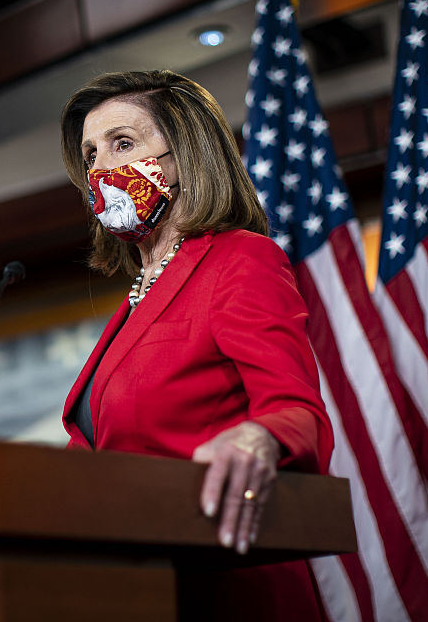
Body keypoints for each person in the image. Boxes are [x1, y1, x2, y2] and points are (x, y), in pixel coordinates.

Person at [59, 70, 334, 619]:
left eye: (123, 144)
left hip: (231, 584)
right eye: (90, 154)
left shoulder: (239, 259)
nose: (101, 169)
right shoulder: (133, 301)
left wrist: (260, 437)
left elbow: (296, 409)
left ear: (185, 158)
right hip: (141, 589)